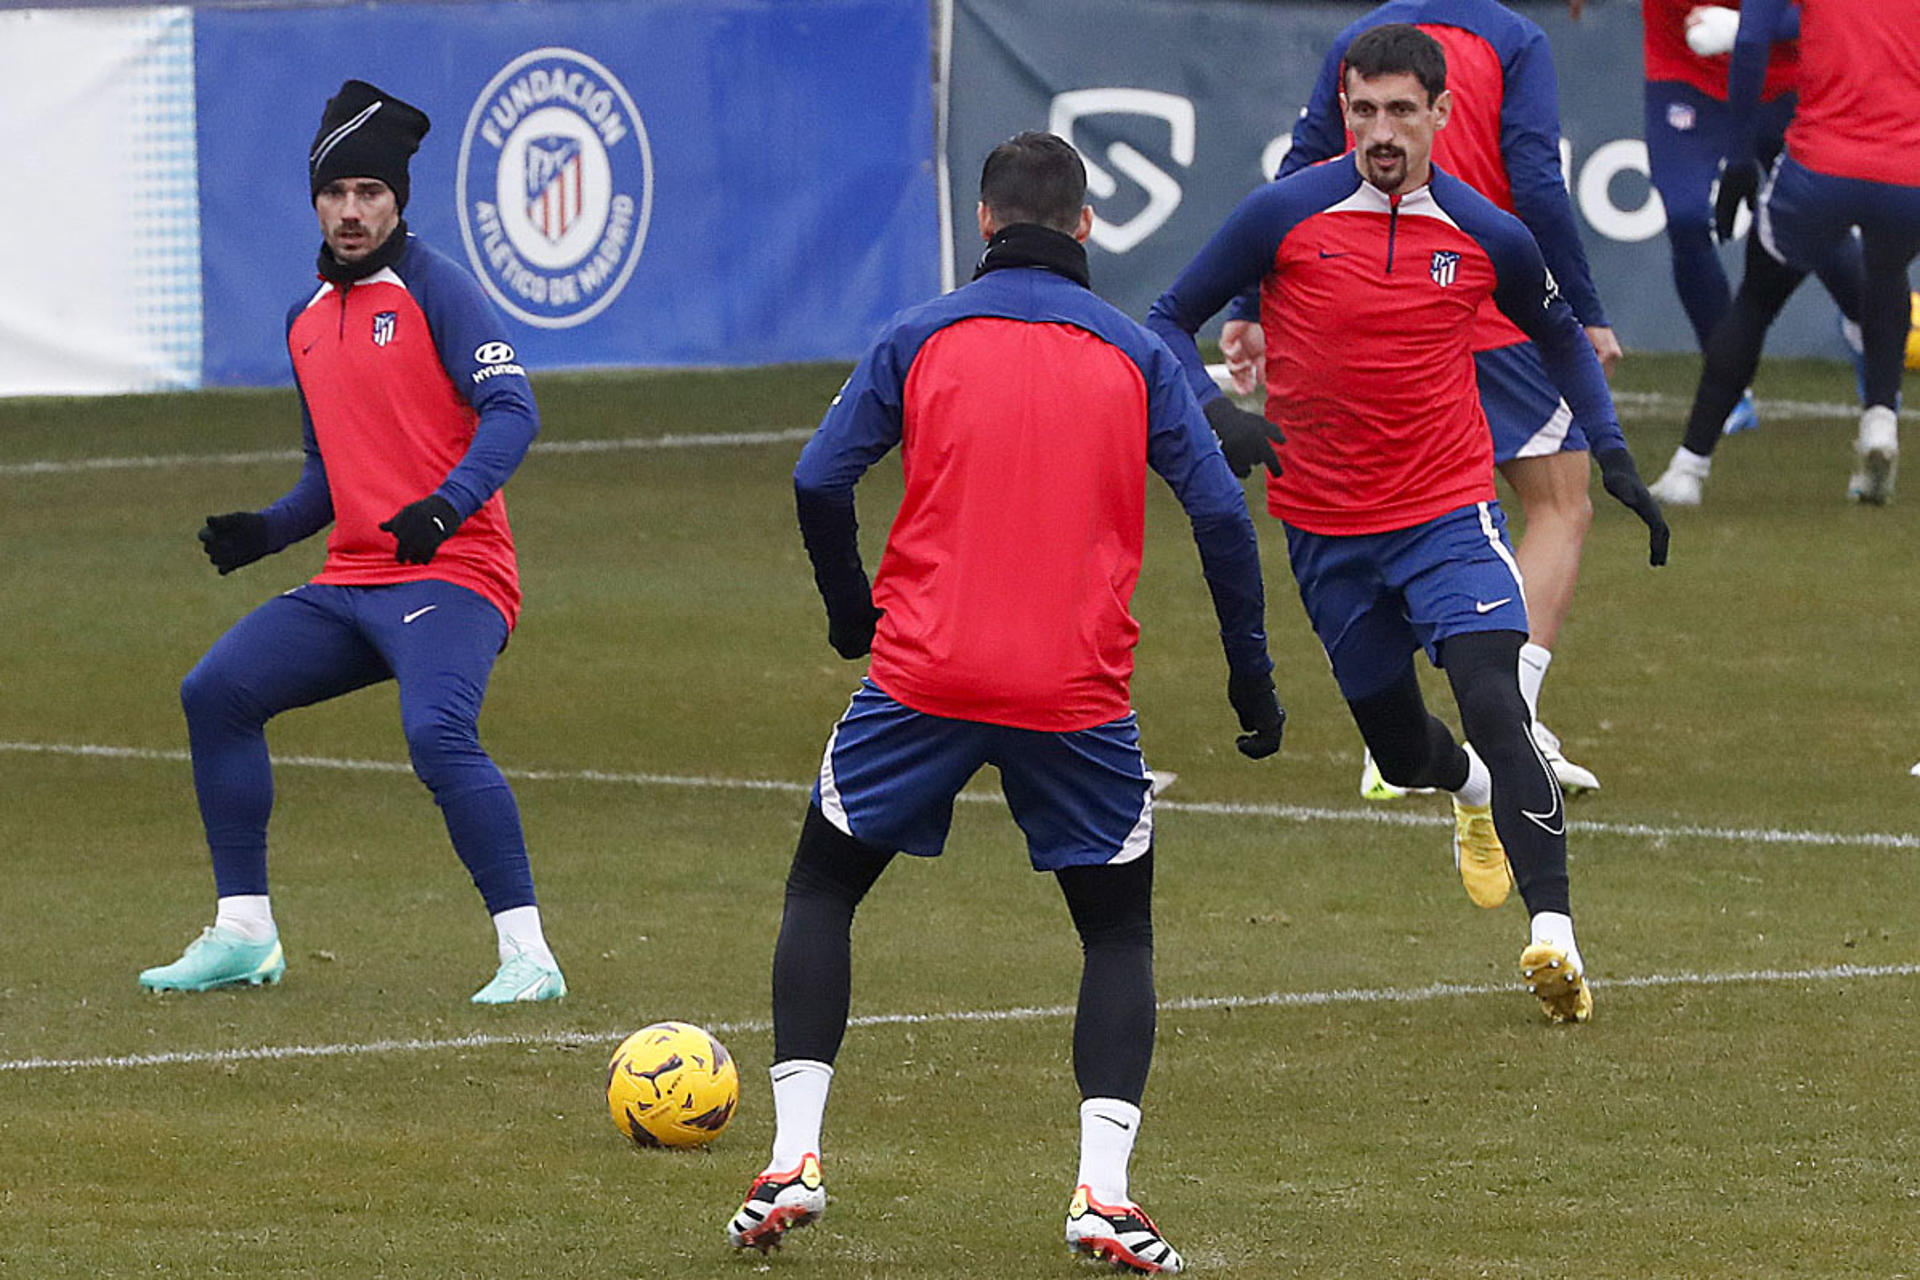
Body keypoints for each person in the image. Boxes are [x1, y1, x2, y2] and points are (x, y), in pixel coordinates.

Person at [724, 131, 1283, 1272]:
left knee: (824, 885)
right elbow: (1224, 517)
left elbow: (818, 476)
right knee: (1116, 928)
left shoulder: (918, 332)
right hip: (1074, 691)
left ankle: (791, 1157)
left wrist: (852, 614)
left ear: (982, 223)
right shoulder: (1134, 352)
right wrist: (1249, 676)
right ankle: (1104, 1198)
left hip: (922, 672)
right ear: (1085, 228)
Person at [1149, 25, 1671, 1025]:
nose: (1381, 131)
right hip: (1325, 530)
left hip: (1448, 512)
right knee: (1399, 754)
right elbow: (1166, 318)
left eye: (1401, 111)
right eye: (1363, 110)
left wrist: (1607, 453)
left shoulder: (1487, 233)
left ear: (1440, 114)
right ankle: (1469, 790)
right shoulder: (1282, 215)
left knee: (1491, 693)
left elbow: (1558, 336)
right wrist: (1223, 418)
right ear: (1344, 110)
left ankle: (1555, 933)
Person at [139, 81, 564, 1005]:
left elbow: (513, 411)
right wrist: (267, 530)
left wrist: (446, 508)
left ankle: (530, 955)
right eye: (335, 194)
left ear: (398, 199)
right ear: (316, 204)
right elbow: (330, 481)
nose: (351, 210)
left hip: (457, 575)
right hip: (355, 580)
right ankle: (244, 933)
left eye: (369, 192)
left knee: (436, 734)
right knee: (214, 693)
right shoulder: (304, 321)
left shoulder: (439, 289)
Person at [1221, 0, 1622, 797]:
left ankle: (1399, 730)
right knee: (1560, 506)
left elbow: (1300, 168)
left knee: (1397, 509)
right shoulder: (1514, 38)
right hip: (1488, 311)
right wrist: (1580, 308)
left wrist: (1248, 308)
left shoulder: (1359, 38)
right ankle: (1514, 720)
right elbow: (1536, 177)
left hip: (1375, 311)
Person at [1649, 0, 1915, 506]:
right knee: (1887, 269)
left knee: (1756, 302)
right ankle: (1881, 418)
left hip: (1821, 165)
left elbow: (1751, 39)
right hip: (1907, 170)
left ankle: (1690, 467)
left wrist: (1740, 153)